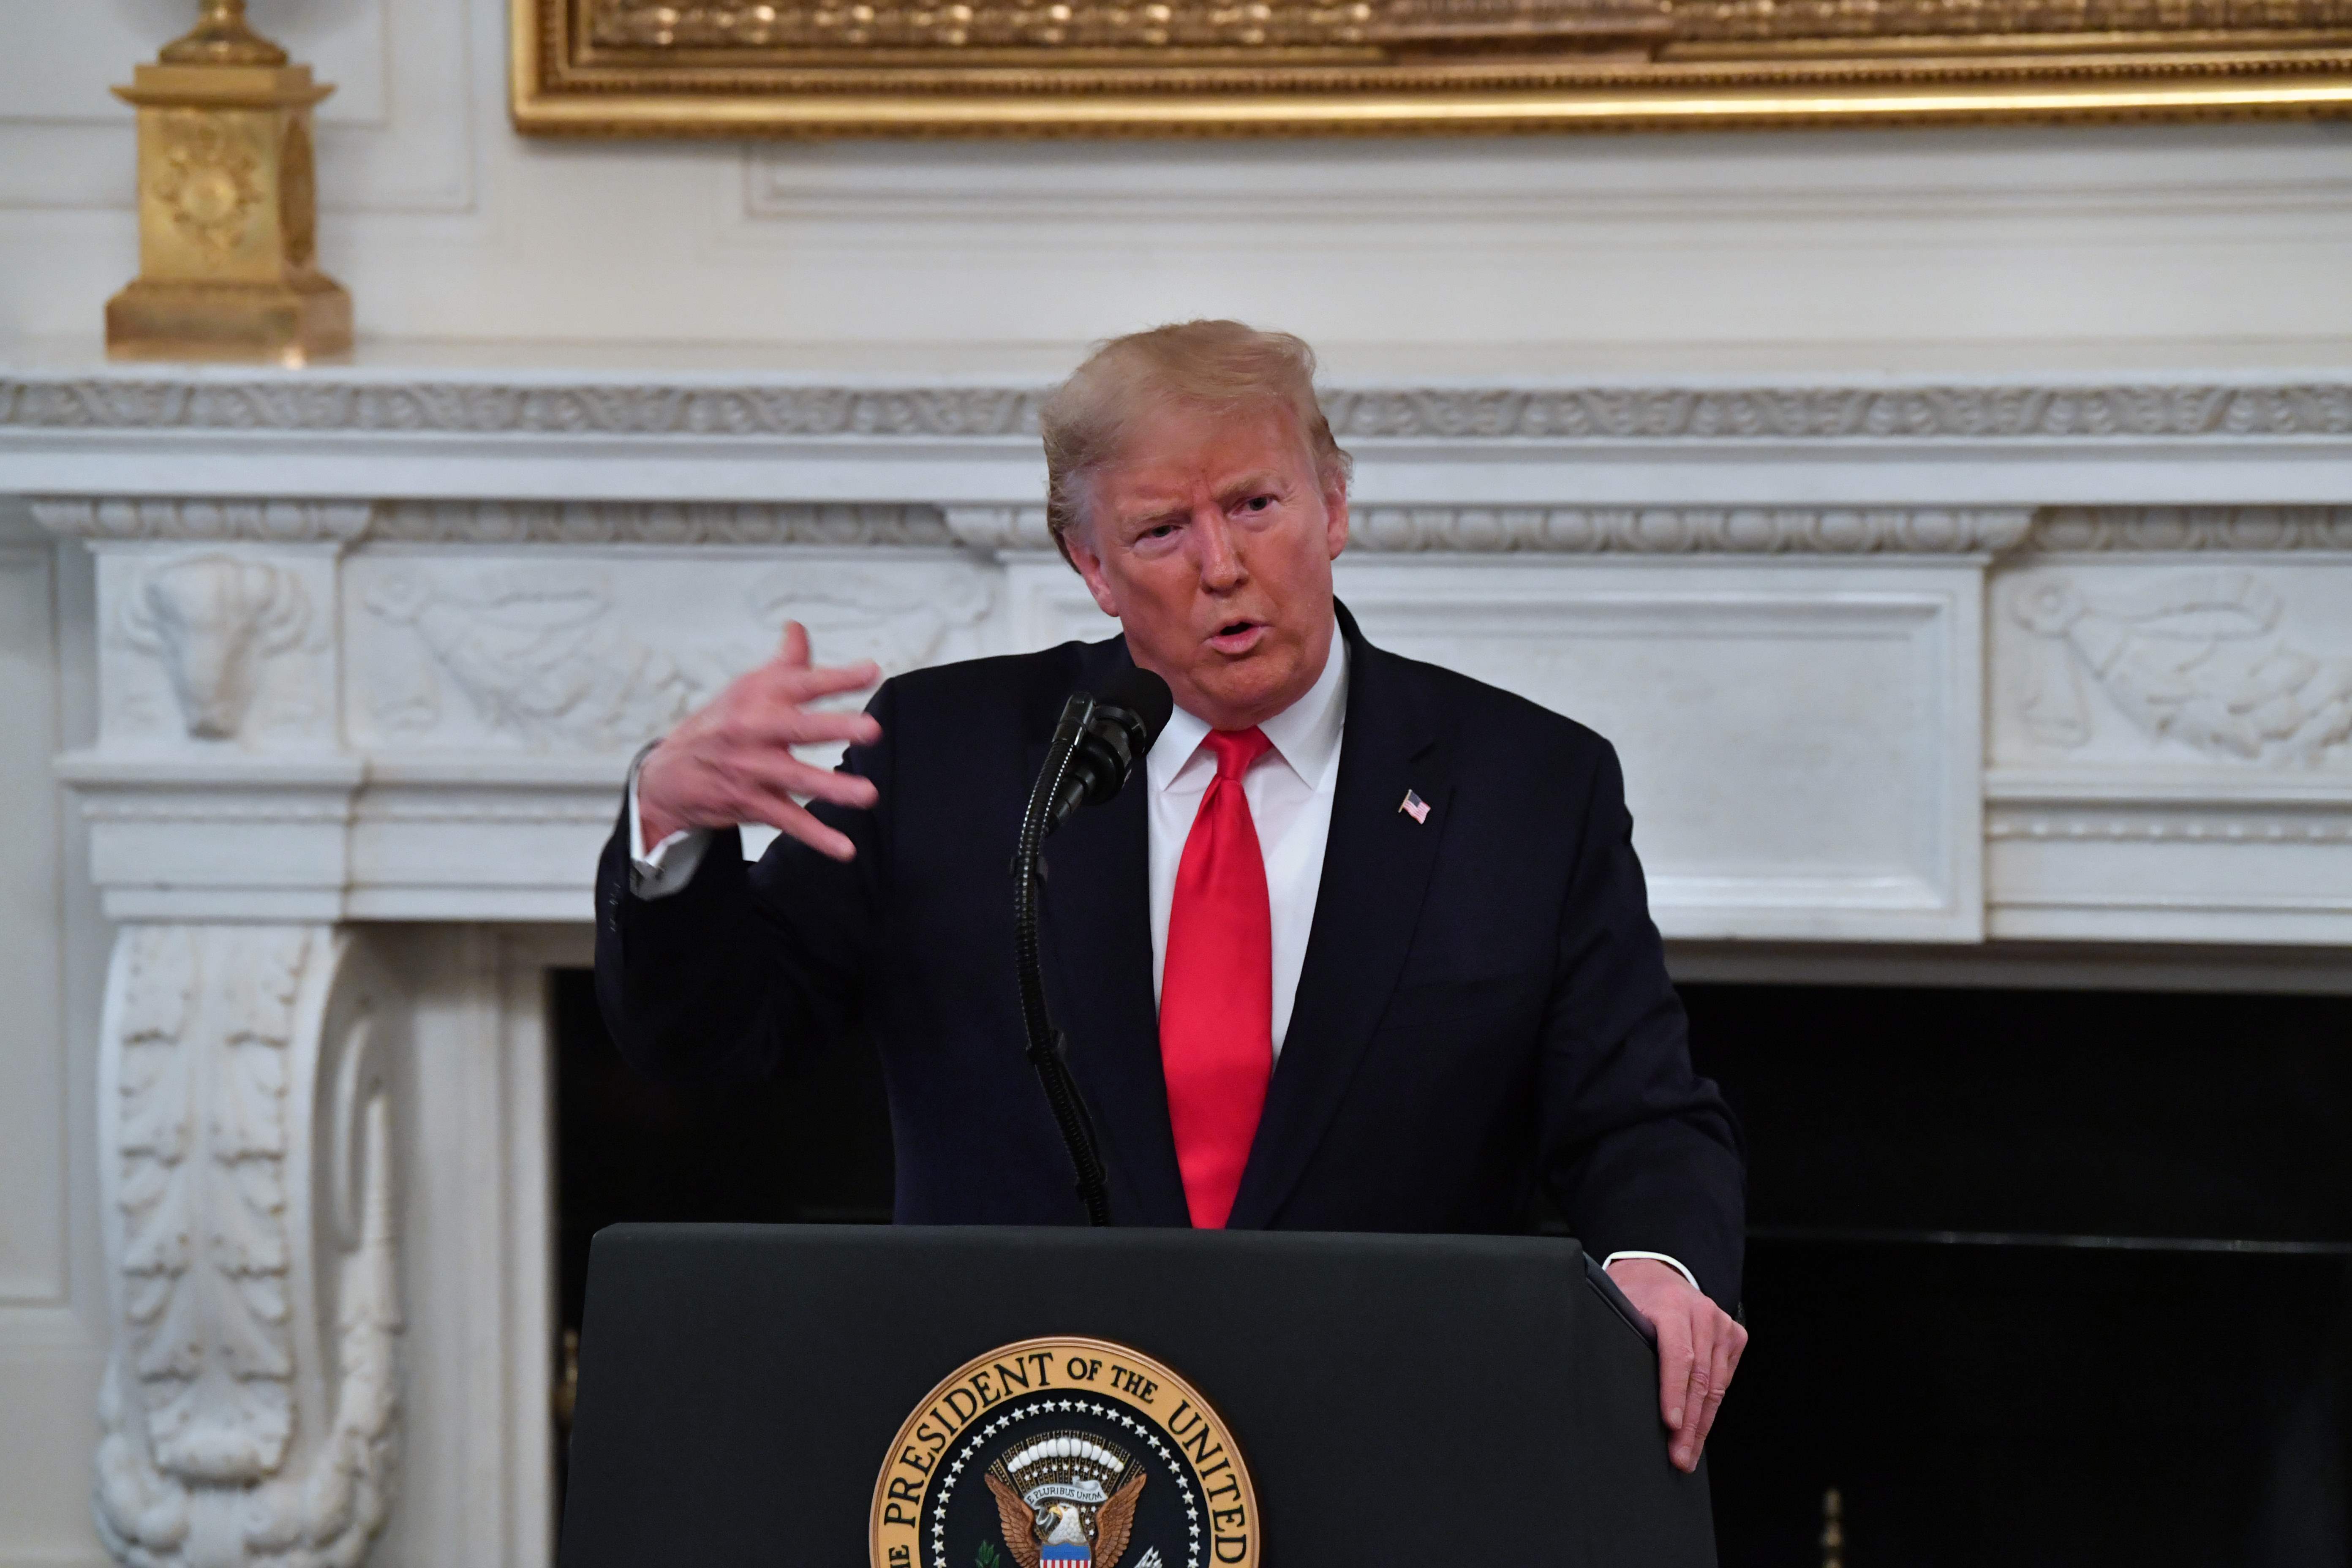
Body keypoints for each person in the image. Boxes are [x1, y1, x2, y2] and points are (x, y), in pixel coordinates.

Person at [595, 320, 1748, 1473]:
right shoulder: (948, 760)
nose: (1222, 566)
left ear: (1334, 507)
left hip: (1391, 1443)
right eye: (1161, 530)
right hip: (1034, 1452)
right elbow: (716, 1039)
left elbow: (1637, 1116)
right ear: (1091, 567)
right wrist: (672, 825)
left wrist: (1657, 1265)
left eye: (1256, 506)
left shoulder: (1528, 785)